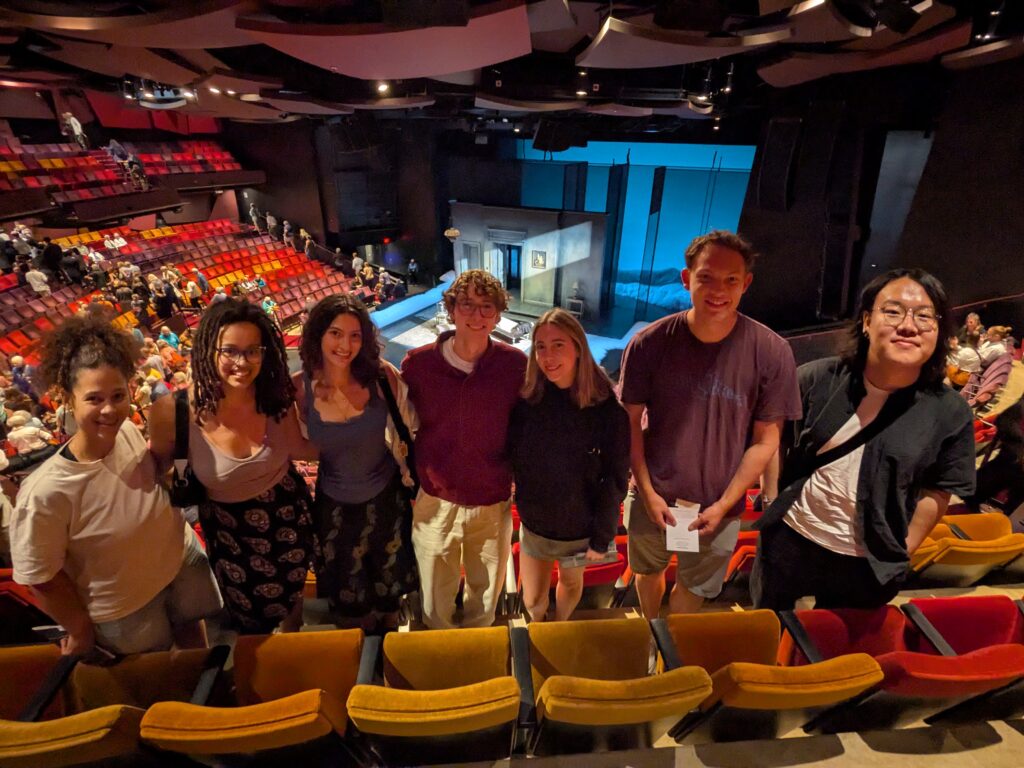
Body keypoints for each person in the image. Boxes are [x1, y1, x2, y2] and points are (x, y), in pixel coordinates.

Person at [753, 269, 976, 610]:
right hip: (790, 539)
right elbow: (774, 438)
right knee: (769, 626)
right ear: (867, 321)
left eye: (924, 316)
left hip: (868, 564)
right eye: (893, 311)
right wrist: (771, 504)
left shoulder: (950, 412)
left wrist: (904, 549)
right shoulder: (817, 377)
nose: (909, 326)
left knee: (834, 643)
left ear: (939, 330)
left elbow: (938, 489)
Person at [9, 316, 220, 656]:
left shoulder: (127, 431)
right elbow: (40, 575)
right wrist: (79, 630)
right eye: (94, 399)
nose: (109, 410)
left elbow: (146, 479)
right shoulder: (45, 492)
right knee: (158, 675)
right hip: (125, 604)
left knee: (195, 644)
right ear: (69, 399)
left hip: (179, 562)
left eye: (118, 395)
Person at [620, 230, 800, 618]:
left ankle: (671, 643)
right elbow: (629, 423)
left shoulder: (772, 352)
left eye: (730, 280)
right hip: (653, 497)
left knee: (695, 586)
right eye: (706, 277)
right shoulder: (649, 343)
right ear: (687, 279)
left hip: (720, 507)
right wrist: (647, 492)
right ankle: (652, 631)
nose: (718, 290)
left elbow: (766, 440)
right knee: (647, 571)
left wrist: (723, 505)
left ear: (745, 284)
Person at [149, 299, 315, 634]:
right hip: (230, 534)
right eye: (230, 351)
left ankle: (294, 648)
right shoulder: (172, 411)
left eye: (252, 351)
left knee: (293, 604)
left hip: (289, 516)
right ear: (209, 349)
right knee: (251, 624)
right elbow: (159, 472)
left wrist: (362, 440)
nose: (242, 362)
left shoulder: (275, 397)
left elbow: (299, 448)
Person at [401, 269, 528, 629]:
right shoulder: (417, 365)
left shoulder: (515, 365)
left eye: (486, 306)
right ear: (451, 309)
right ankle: (443, 655)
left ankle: (477, 654)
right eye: (467, 304)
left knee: (485, 602)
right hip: (435, 501)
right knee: (434, 601)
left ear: (498, 315)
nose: (476, 314)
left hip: (492, 500)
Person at [296, 295, 419, 632]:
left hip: (388, 503)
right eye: (335, 333)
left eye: (354, 336)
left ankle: (388, 658)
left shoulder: (382, 377)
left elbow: (409, 426)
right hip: (334, 510)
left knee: (390, 603)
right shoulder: (299, 389)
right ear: (318, 334)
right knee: (352, 613)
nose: (345, 345)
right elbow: (294, 446)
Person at [508, 309, 629, 622]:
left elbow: (616, 477)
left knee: (571, 583)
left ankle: (560, 626)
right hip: (535, 523)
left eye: (558, 345)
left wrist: (602, 535)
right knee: (533, 598)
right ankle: (538, 625)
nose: (548, 356)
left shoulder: (606, 409)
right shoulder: (528, 400)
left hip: (580, 528)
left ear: (578, 347)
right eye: (541, 347)